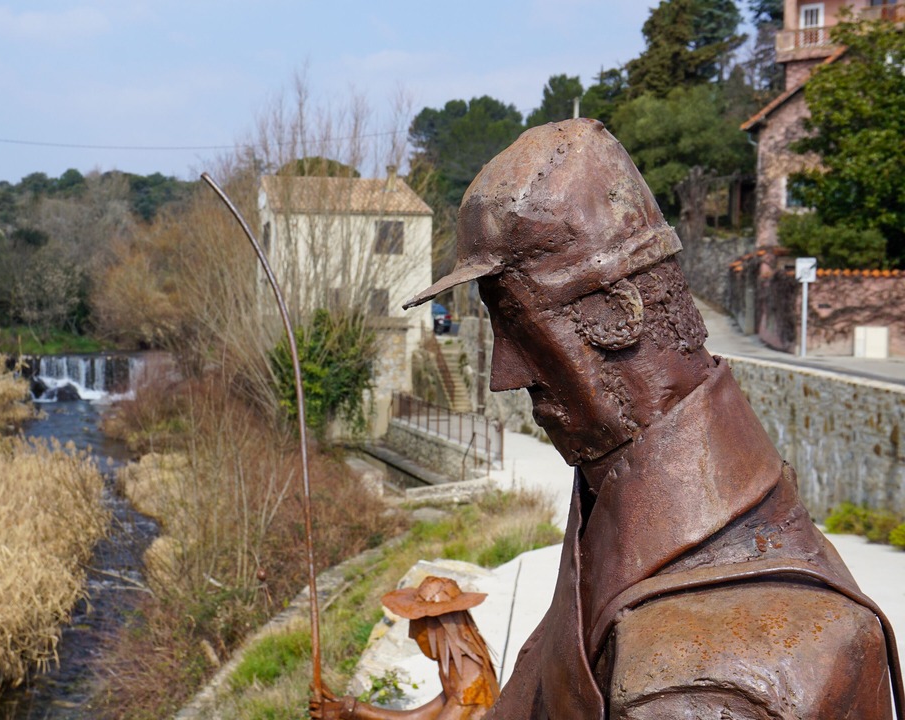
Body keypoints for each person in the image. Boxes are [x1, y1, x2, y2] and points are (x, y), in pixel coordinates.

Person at [401, 118, 903, 719]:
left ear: (618, 316)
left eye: (516, 323)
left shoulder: (706, 681)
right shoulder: (624, 522)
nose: (503, 373)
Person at [310, 576, 499, 720]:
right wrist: (350, 709)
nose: (412, 634)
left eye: (416, 625)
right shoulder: (459, 670)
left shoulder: (470, 679)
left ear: (436, 627)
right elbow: (420, 716)